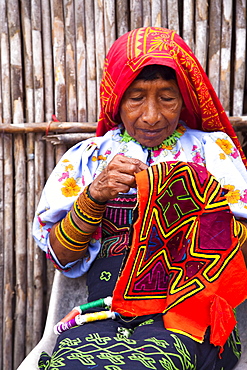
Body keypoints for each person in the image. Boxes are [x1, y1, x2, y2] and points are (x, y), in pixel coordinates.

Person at [33, 27, 247, 370]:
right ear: (117, 99)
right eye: (136, 97)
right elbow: (60, 255)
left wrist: (201, 200)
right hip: (100, 317)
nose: (151, 115)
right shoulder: (87, 158)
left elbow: (240, 260)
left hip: (190, 320)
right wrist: (94, 196)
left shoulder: (213, 152)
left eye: (167, 97)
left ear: (185, 99)